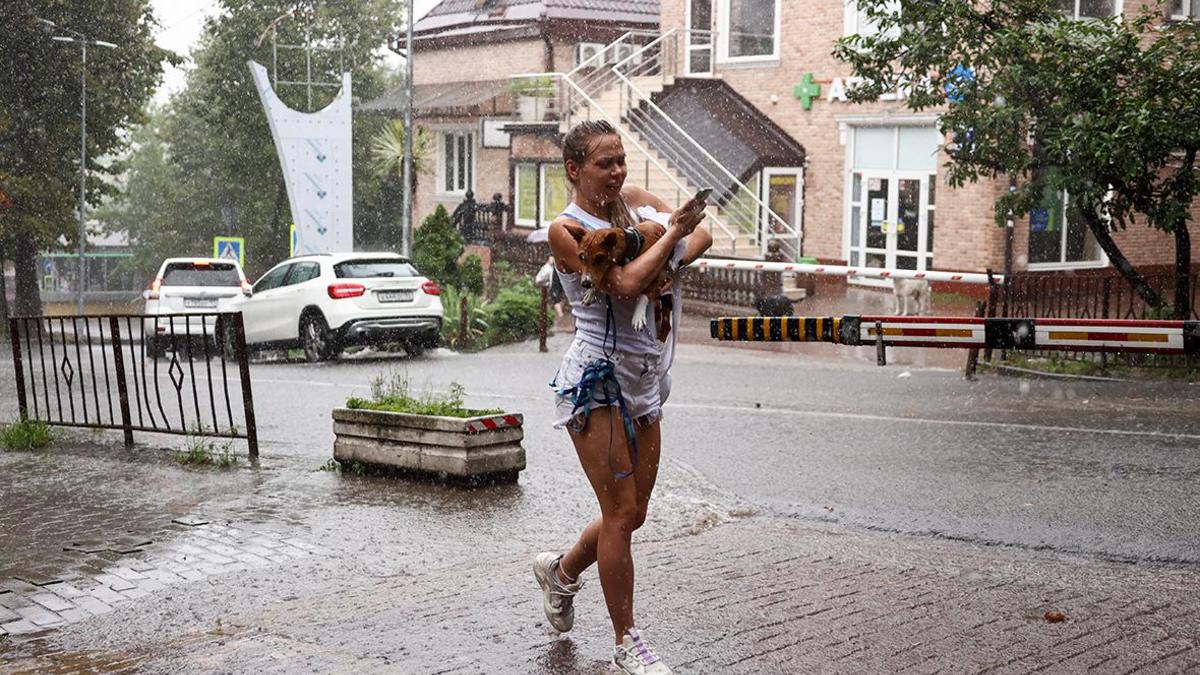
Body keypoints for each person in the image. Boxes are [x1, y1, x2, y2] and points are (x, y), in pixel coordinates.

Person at [533, 120, 712, 675]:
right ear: (574, 169)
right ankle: (625, 641)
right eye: (603, 163)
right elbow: (627, 285)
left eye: (620, 161)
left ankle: (561, 571)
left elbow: (702, 234)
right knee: (620, 512)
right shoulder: (565, 231)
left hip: (646, 377)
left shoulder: (634, 203)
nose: (617, 172)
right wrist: (667, 240)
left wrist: (668, 252)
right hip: (597, 379)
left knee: (634, 515)